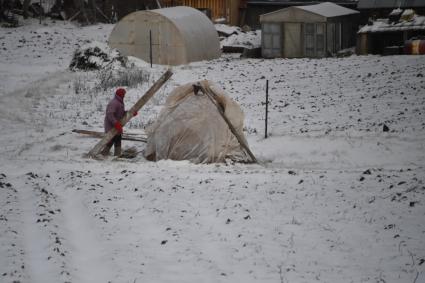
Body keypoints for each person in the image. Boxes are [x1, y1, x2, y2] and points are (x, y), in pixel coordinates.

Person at [102, 88, 137, 156]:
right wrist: (116, 124)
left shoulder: (119, 102)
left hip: (116, 125)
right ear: (121, 94)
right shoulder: (114, 103)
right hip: (111, 126)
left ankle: (116, 155)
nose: (124, 95)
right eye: (123, 94)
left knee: (117, 139)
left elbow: (121, 113)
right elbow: (110, 114)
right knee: (111, 140)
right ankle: (104, 154)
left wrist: (131, 113)